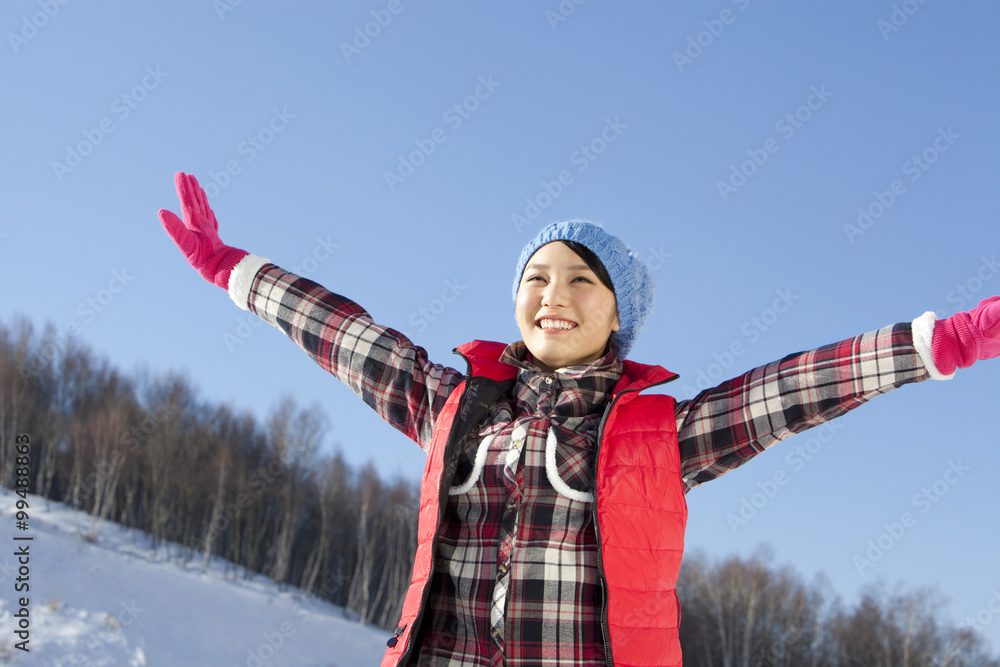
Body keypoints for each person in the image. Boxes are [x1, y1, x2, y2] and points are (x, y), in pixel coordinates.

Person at [159, 171, 999, 667]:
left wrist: (938, 343)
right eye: (537, 277)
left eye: (580, 281)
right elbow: (347, 338)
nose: (552, 295)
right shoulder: (455, 404)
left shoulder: (653, 438)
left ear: (616, 318)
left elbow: (786, 392)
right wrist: (232, 267)